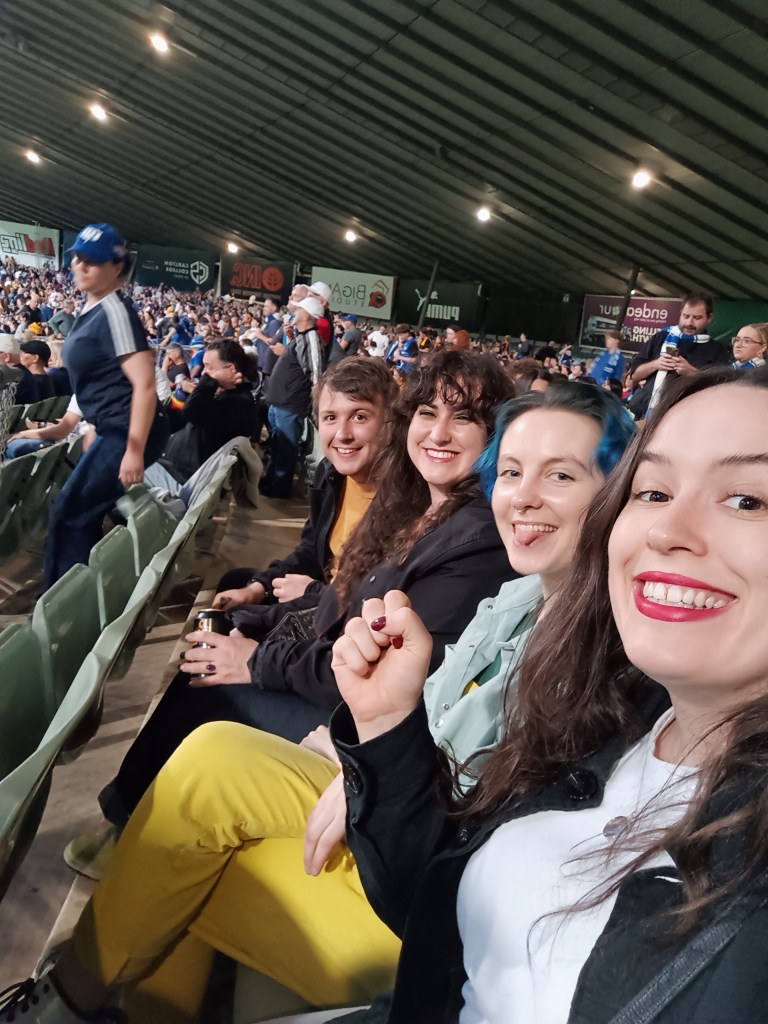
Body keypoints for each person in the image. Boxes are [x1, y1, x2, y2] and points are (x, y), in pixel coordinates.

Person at [5, 386, 635, 1024]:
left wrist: (374, 769)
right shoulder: (521, 597)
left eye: (560, 475)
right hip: (394, 813)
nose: (523, 495)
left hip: (437, 912)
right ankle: (81, 1001)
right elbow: (415, 690)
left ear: (620, 492)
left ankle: (69, 999)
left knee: (188, 848)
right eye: (512, 471)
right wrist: (363, 750)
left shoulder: (599, 649)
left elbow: (478, 821)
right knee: (206, 771)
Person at [312, 366, 768, 1024]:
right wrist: (386, 725)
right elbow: (441, 911)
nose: (667, 529)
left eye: (747, 500)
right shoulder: (615, 719)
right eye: (655, 491)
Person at [93, 350, 515, 834]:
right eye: (427, 413)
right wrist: (260, 622)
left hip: (366, 729)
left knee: (209, 694)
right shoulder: (413, 505)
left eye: (463, 418)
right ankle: (131, 817)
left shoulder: (476, 539)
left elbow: (381, 674)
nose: (438, 434)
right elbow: (340, 599)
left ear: (493, 435)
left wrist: (257, 661)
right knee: (210, 658)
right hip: (339, 685)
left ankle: (130, 823)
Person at [212, 358, 397, 636]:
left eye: (360, 416)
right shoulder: (330, 474)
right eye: (330, 418)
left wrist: (312, 592)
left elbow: (371, 602)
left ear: (390, 422)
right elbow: (311, 550)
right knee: (237, 583)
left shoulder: (403, 499)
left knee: (234, 628)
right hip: (323, 595)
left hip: (347, 624)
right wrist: (259, 587)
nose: (342, 434)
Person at [42, 224, 169, 590]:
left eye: (92, 261)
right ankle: (74, 598)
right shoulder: (93, 307)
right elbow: (103, 378)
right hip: (112, 427)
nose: (80, 266)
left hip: (129, 430)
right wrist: (95, 425)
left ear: (116, 267)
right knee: (77, 512)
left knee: (70, 513)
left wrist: (134, 448)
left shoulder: (114, 310)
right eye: (77, 258)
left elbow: (144, 384)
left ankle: (62, 606)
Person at [161, 341, 258, 481]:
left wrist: (209, 382)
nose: (203, 373)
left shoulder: (238, 403)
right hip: (177, 467)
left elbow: (191, 412)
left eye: (209, 367)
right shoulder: (229, 396)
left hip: (181, 475)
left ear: (229, 369)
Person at [260, 296, 325, 499]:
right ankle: (271, 480)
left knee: (286, 448)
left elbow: (316, 375)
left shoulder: (312, 338)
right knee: (277, 445)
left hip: (290, 405)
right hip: (281, 402)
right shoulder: (302, 336)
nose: (293, 312)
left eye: (298, 310)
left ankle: (280, 487)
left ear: (308, 315)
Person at [628, 290, 729, 417]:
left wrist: (692, 373)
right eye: (686, 316)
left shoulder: (716, 349)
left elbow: (720, 388)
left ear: (709, 318)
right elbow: (635, 375)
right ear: (680, 313)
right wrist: (656, 364)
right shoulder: (660, 337)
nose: (689, 323)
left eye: (697, 318)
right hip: (643, 411)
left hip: (684, 416)